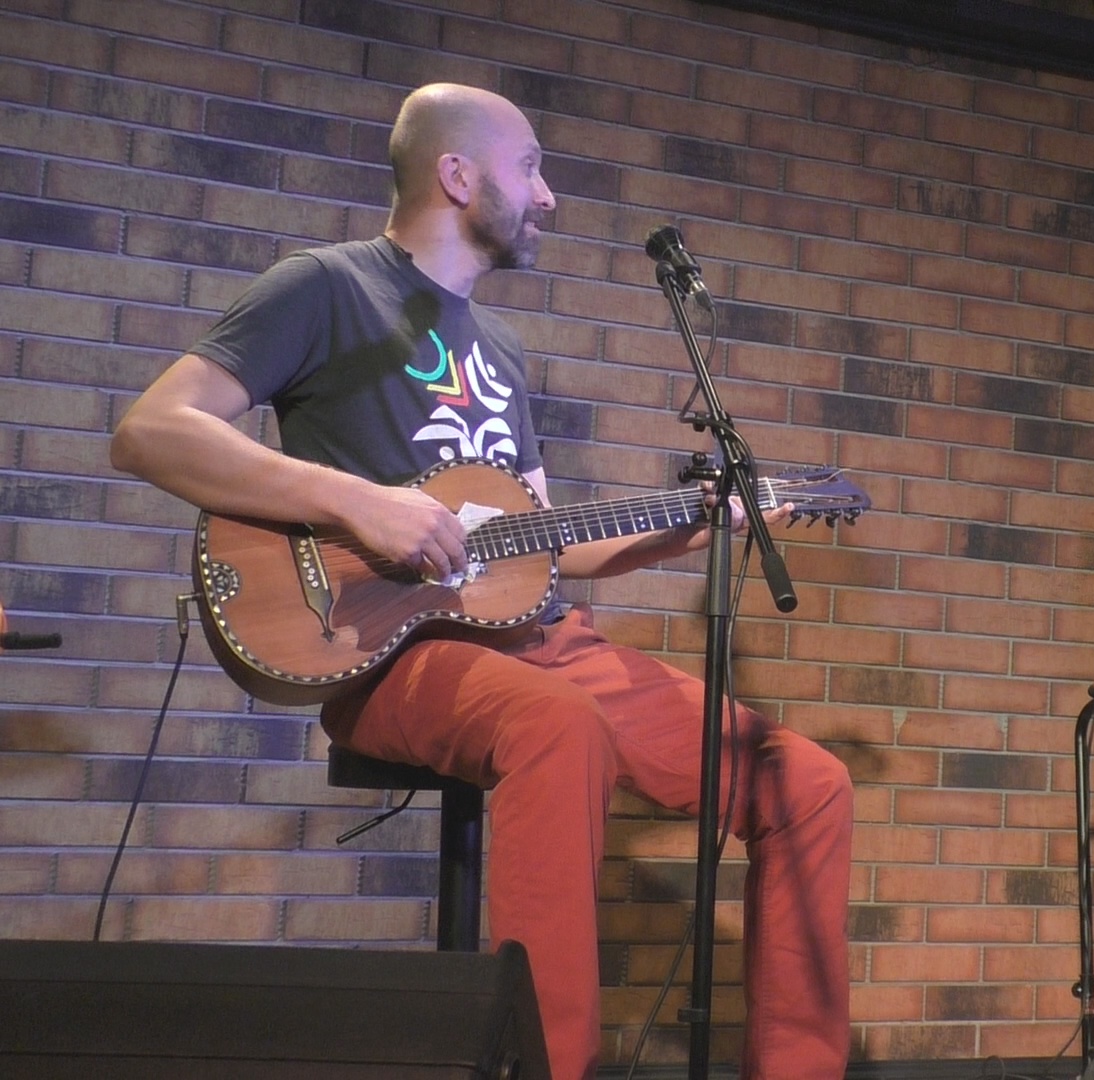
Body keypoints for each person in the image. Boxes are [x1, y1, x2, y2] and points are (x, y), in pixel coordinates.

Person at [109, 83, 852, 1080]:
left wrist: (694, 527)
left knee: (805, 782)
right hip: (386, 648)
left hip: (538, 642)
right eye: (530, 168)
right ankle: (547, 1065)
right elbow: (152, 430)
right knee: (559, 726)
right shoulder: (325, 288)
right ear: (457, 175)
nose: (548, 197)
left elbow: (545, 545)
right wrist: (358, 502)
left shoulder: (498, 349)